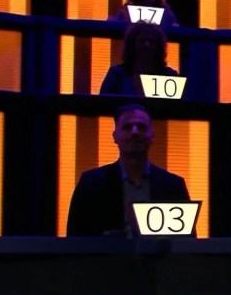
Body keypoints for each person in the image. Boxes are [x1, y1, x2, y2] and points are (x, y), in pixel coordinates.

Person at [66, 103, 192, 237]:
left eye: (141, 127)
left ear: (152, 136)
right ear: (115, 136)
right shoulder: (90, 184)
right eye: (127, 127)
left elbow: (188, 242)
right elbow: (74, 239)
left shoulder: (173, 186)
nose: (135, 132)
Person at [99, 22, 180, 97]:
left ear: (159, 48)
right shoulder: (116, 74)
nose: (147, 45)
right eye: (142, 41)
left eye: (152, 42)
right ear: (132, 45)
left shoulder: (170, 75)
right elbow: (104, 104)